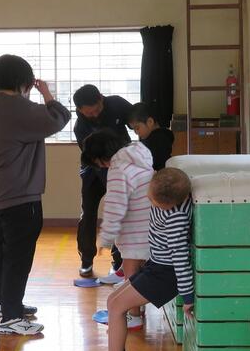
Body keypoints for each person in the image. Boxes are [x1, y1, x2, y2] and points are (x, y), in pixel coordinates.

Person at [0, 54, 70, 336]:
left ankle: (4, 303)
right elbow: (59, 117)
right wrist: (47, 94)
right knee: (18, 256)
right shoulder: (16, 107)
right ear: (24, 82)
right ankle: (11, 317)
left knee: (3, 250)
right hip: (17, 193)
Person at [84, 167, 193, 351]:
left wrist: (188, 296)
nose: (149, 201)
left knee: (116, 307)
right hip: (156, 267)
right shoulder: (172, 195)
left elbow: (181, 259)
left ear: (165, 204)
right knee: (113, 302)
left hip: (165, 275)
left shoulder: (175, 218)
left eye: (151, 201)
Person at [80, 129, 153, 329]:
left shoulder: (118, 170)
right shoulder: (139, 154)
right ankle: (138, 309)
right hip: (150, 223)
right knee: (139, 271)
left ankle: (133, 315)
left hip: (134, 230)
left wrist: (106, 238)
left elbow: (115, 206)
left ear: (102, 157)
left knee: (131, 272)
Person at [73, 84, 133, 283]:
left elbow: (138, 121)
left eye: (97, 109)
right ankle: (86, 259)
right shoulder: (80, 127)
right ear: (80, 110)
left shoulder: (117, 104)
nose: (94, 115)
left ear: (101, 98)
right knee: (88, 212)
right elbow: (91, 156)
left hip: (120, 167)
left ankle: (118, 261)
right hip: (93, 170)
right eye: (89, 113)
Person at [128, 102, 174, 171]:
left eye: (137, 128)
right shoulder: (159, 136)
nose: (136, 132)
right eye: (133, 129)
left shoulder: (158, 139)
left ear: (150, 122)